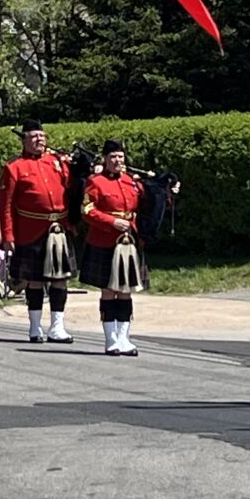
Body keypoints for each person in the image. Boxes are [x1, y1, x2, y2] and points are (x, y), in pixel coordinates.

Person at [0, 124, 76, 344]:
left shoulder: (57, 163)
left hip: (59, 229)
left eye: (42, 136)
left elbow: (74, 189)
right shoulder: (14, 167)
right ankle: (34, 327)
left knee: (60, 279)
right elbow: (6, 205)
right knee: (34, 280)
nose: (39, 140)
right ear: (24, 140)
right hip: (31, 231)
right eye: (34, 136)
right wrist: (8, 236)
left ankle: (57, 327)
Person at [78, 141, 148, 358]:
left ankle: (124, 338)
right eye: (113, 157)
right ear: (105, 160)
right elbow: (87, 210)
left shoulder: (132, 183)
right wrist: (111, 222)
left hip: (129, 240)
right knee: (109, 290)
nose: (117, 161)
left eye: (120, 156)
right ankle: (110, 339)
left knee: (126, 290)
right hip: (104, 240)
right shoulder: (95, 182)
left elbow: (146, 205)